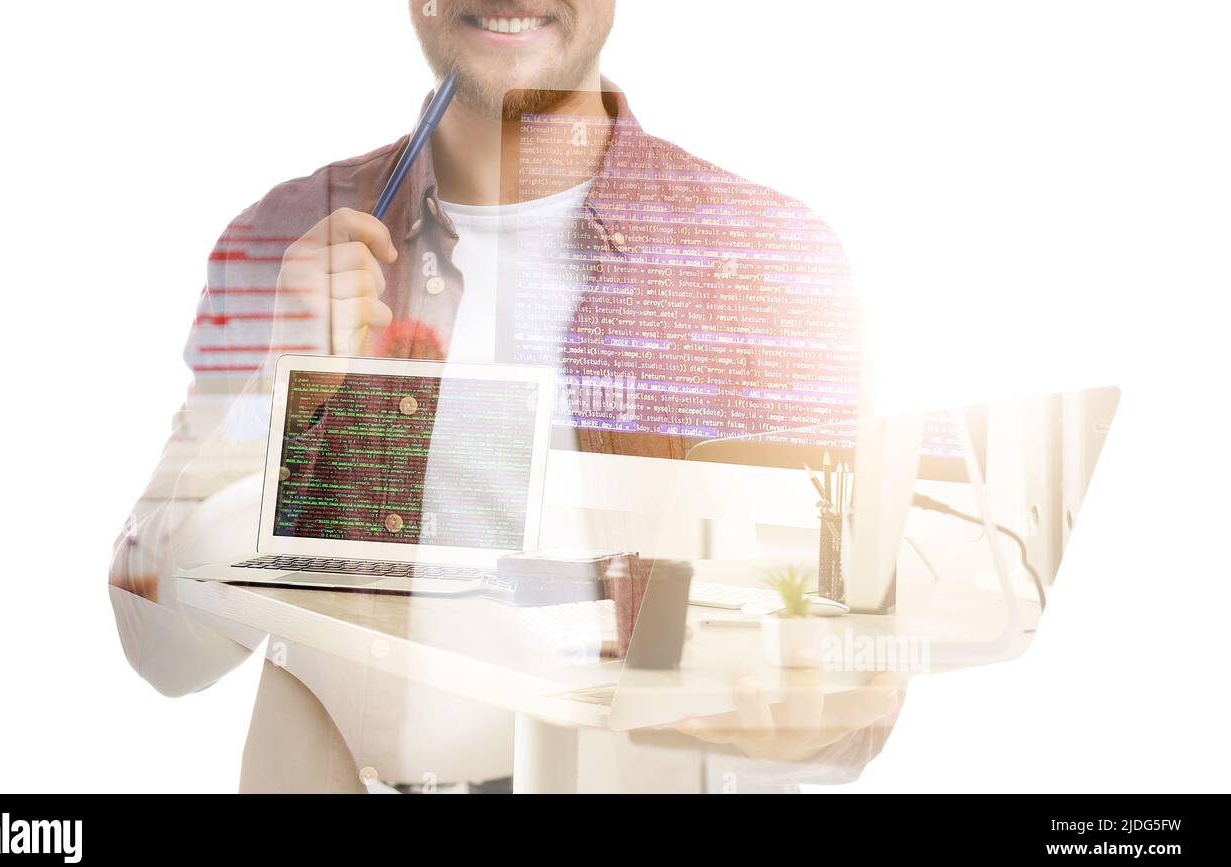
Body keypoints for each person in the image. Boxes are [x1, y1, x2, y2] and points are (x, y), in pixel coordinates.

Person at [109, 0, 903, 793]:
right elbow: (161, 650)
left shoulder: (765, 259)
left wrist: (805, 719)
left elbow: (861, 689)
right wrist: (282, 387)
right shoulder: (285, 236)